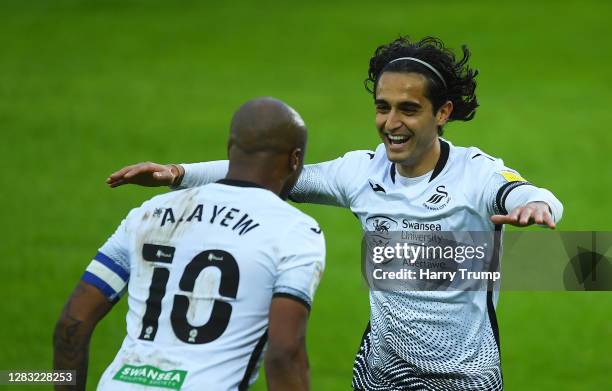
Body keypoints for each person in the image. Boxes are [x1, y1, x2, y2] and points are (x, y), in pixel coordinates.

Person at [106, 36, 563, 391]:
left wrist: (535, 207)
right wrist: (178, 173)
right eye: (383, 108)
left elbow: (524, 193)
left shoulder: (474, 173)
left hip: (466, 375)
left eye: (409, 109)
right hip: (381, 370)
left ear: (442, 112)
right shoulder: (360, 173)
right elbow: (269, 172)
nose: (391, 123)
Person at [53, 97, 326, 391]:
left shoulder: (148, 214)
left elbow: (72, 323)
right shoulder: (295, 231)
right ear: (295, 159)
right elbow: (285, 354)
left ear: (229, 149)